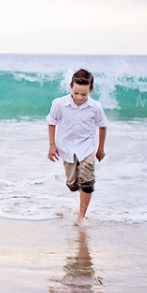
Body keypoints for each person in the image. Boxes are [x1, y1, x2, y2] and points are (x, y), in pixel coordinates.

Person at [47, 69, 107, 226]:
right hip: (66, 147)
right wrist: (52, 146)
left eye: (84, 94)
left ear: (90, 90)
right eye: (76, 93)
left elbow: (102, 126)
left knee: (87, 181)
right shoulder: (59, 104)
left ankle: (81, 216)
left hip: (86, 146)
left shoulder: (95, 107)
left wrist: (100, 149)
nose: (79, 97)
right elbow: (52, 122)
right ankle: (75, 186)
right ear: (70, 87)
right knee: (73, 183)